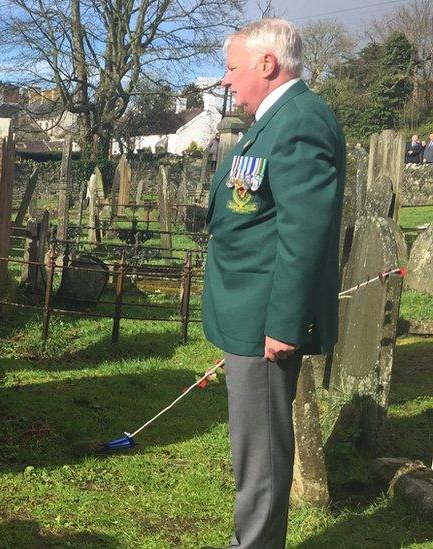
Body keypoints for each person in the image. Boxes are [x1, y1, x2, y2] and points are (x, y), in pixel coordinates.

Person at [203, 19, 344, 548]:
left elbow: (304, 234)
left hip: (266, 318)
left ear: (268, 64)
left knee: (260, 452)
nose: (225, 80)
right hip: (247, 309)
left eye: (232, 68)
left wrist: (284, 324)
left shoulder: (300, 122)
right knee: (251, 445)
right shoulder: (273, 120)